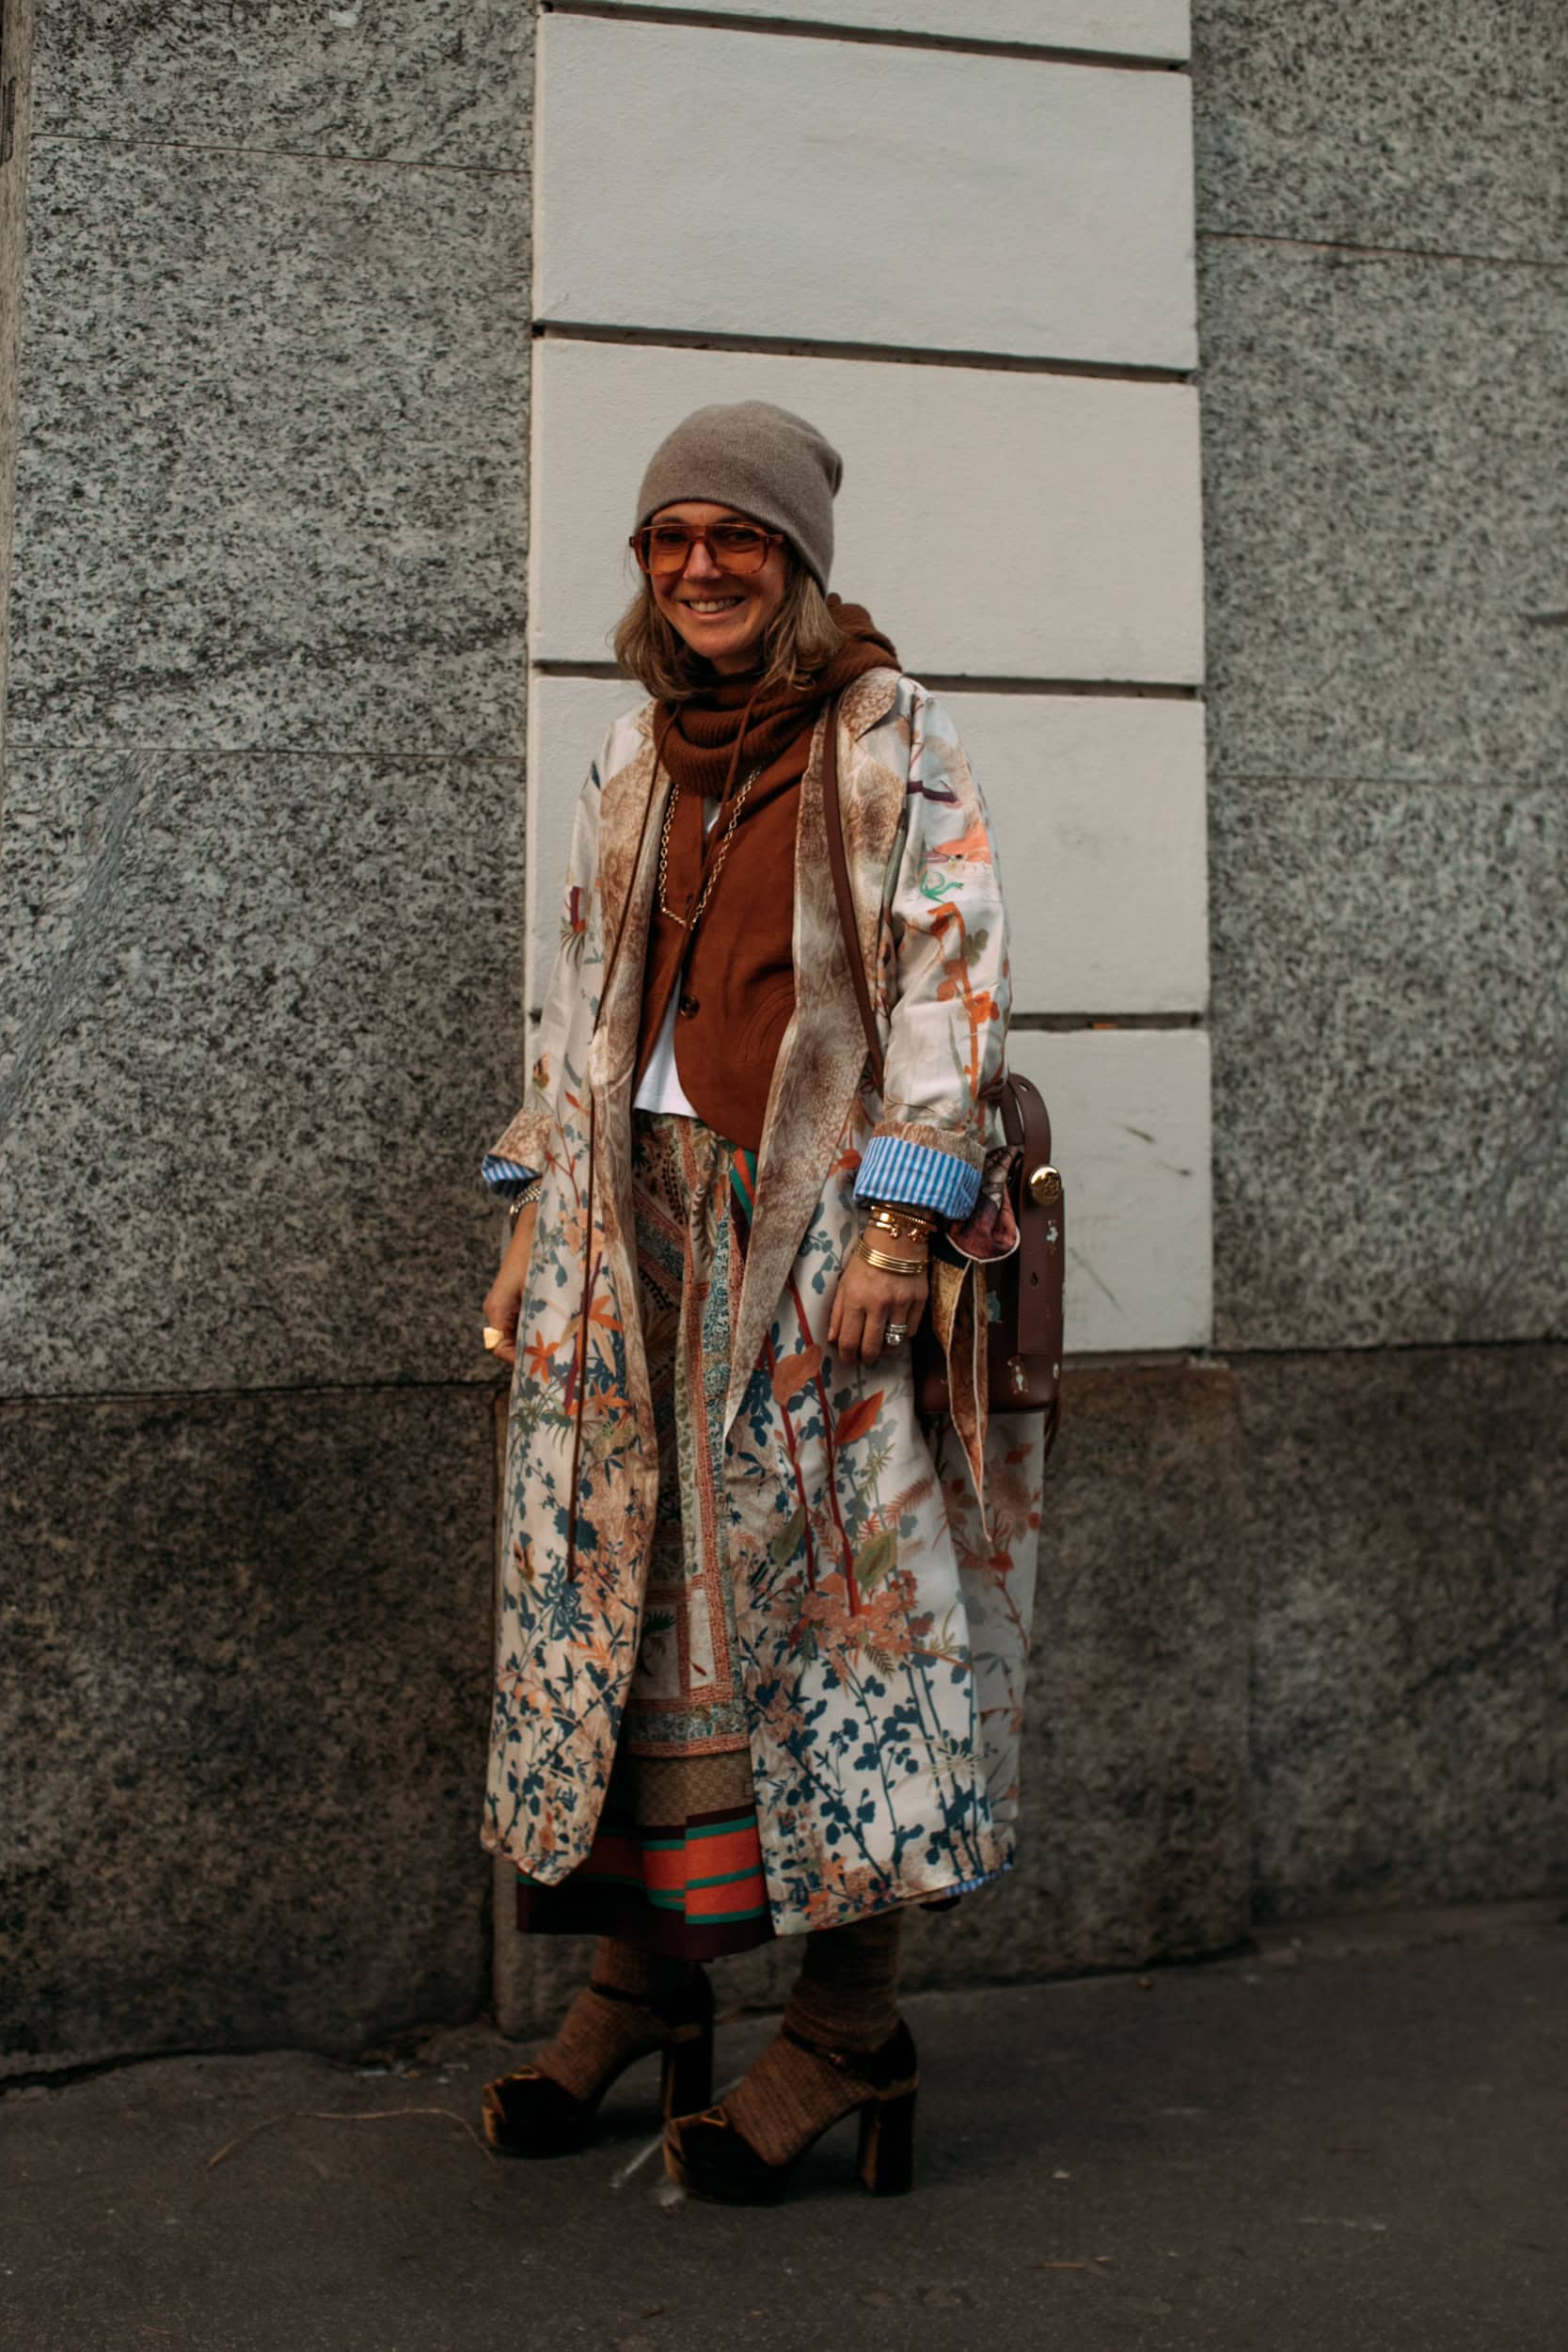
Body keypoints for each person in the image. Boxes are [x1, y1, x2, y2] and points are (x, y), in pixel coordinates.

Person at [474, 400, 1045, 2203]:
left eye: (738, 538)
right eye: (672, 538)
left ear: (795, 562)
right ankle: (643, 1984)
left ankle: (848, 2028)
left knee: (836, 1623)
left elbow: (954, 981)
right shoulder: (633, 751)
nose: (701, 566)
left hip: (810, 1241)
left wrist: (897, 1232)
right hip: (623, 1232)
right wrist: (533, 1210)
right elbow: (582, 991)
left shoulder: (891, 735)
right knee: (638, 1620)